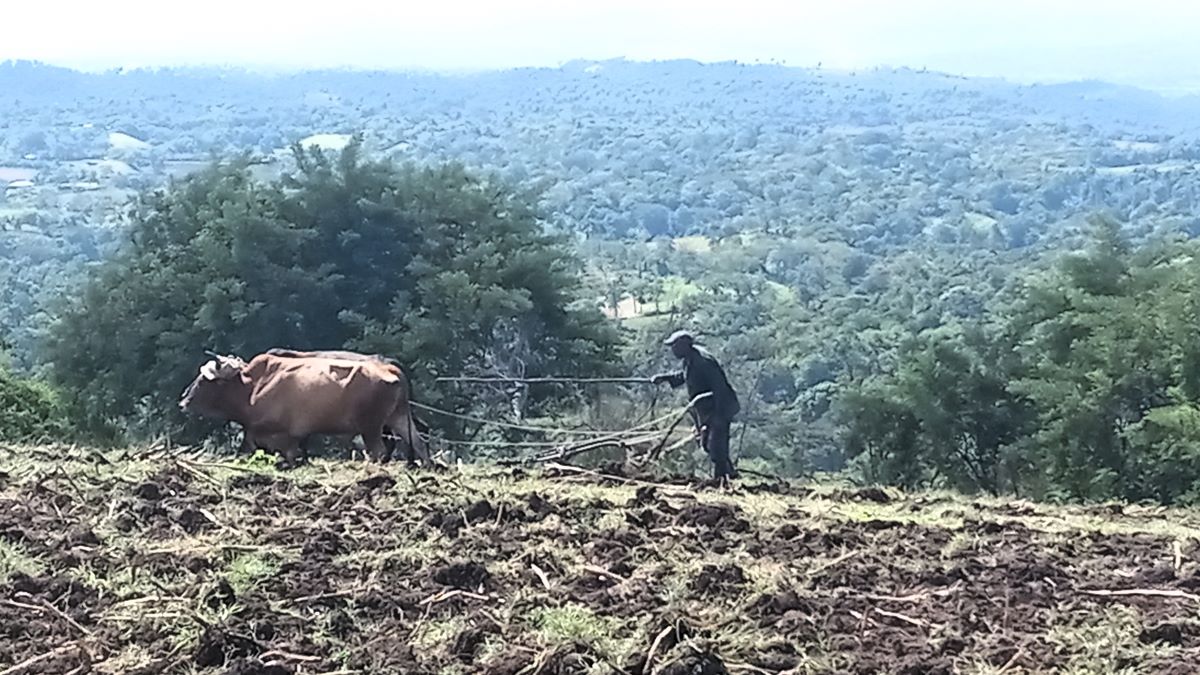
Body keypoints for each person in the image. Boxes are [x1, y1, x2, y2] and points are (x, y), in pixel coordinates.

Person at [652, 330, 740, 481]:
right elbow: (686, 376)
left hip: (720, 407)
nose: (672, 350)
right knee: (706, 444)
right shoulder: (689, 359)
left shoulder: (704, 361)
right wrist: (665, 378)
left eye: (674, 346)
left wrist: (719, 416)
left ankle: (721, 481)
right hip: (705, 409)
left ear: (684, 346)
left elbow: (720, 387)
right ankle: (730, 473)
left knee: (716, 445)